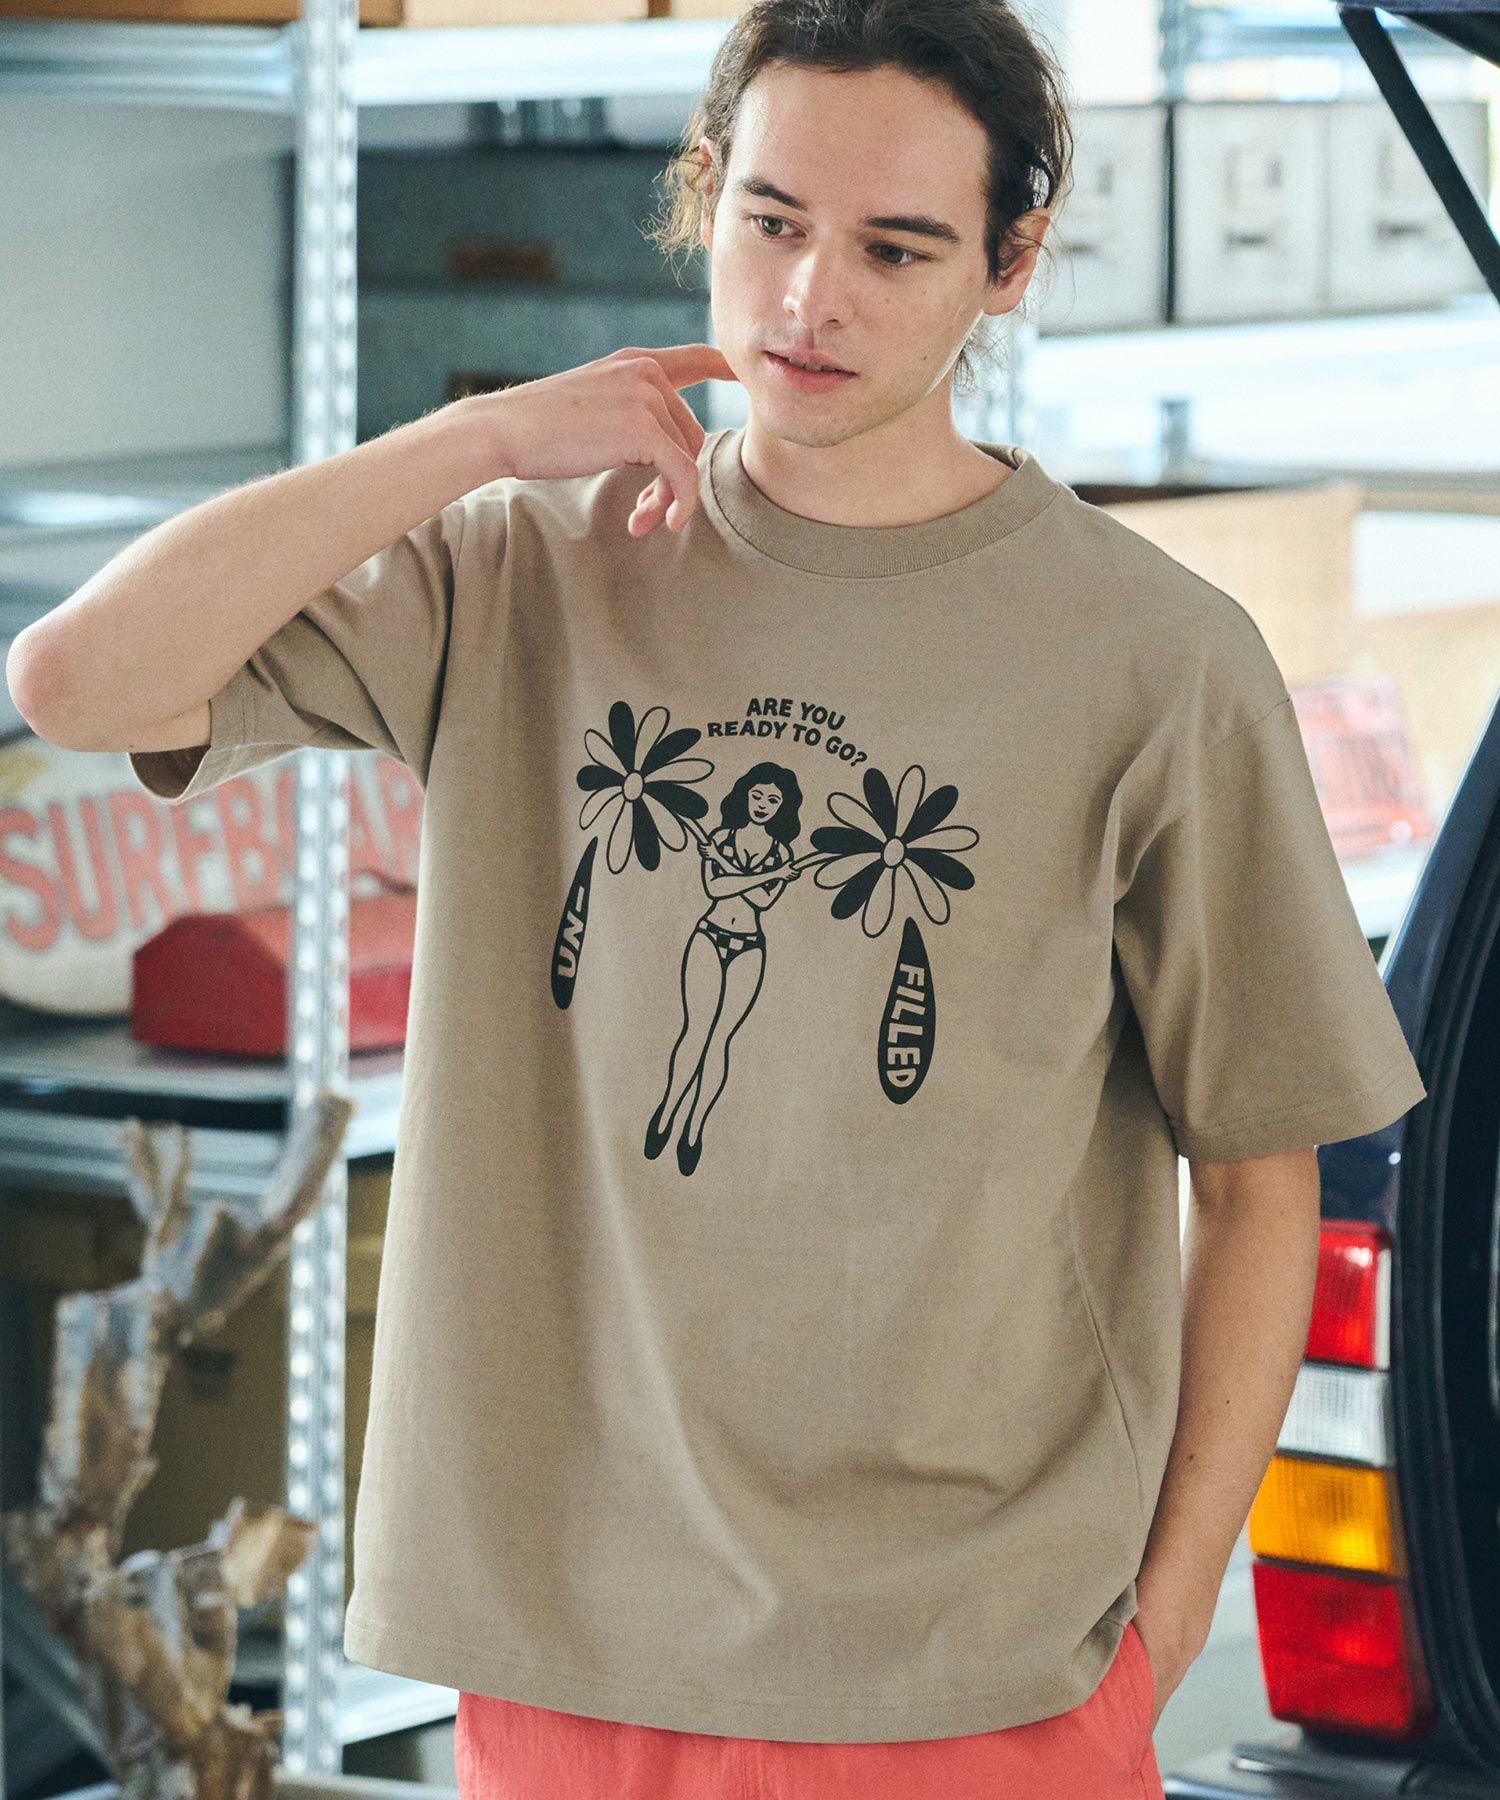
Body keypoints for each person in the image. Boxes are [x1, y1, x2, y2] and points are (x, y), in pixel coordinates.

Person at [8, 0, 1428, 1794]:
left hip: (975, 1676)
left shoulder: (1157, 662)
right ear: (705, 196)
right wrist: (478, 440)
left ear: (1010, 265)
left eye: (896, 248)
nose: (810, 298)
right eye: (771, 220)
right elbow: (77, 684)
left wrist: (1161, 1623)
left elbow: (1263, 1178)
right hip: (563, 1652)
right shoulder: (526, 564)